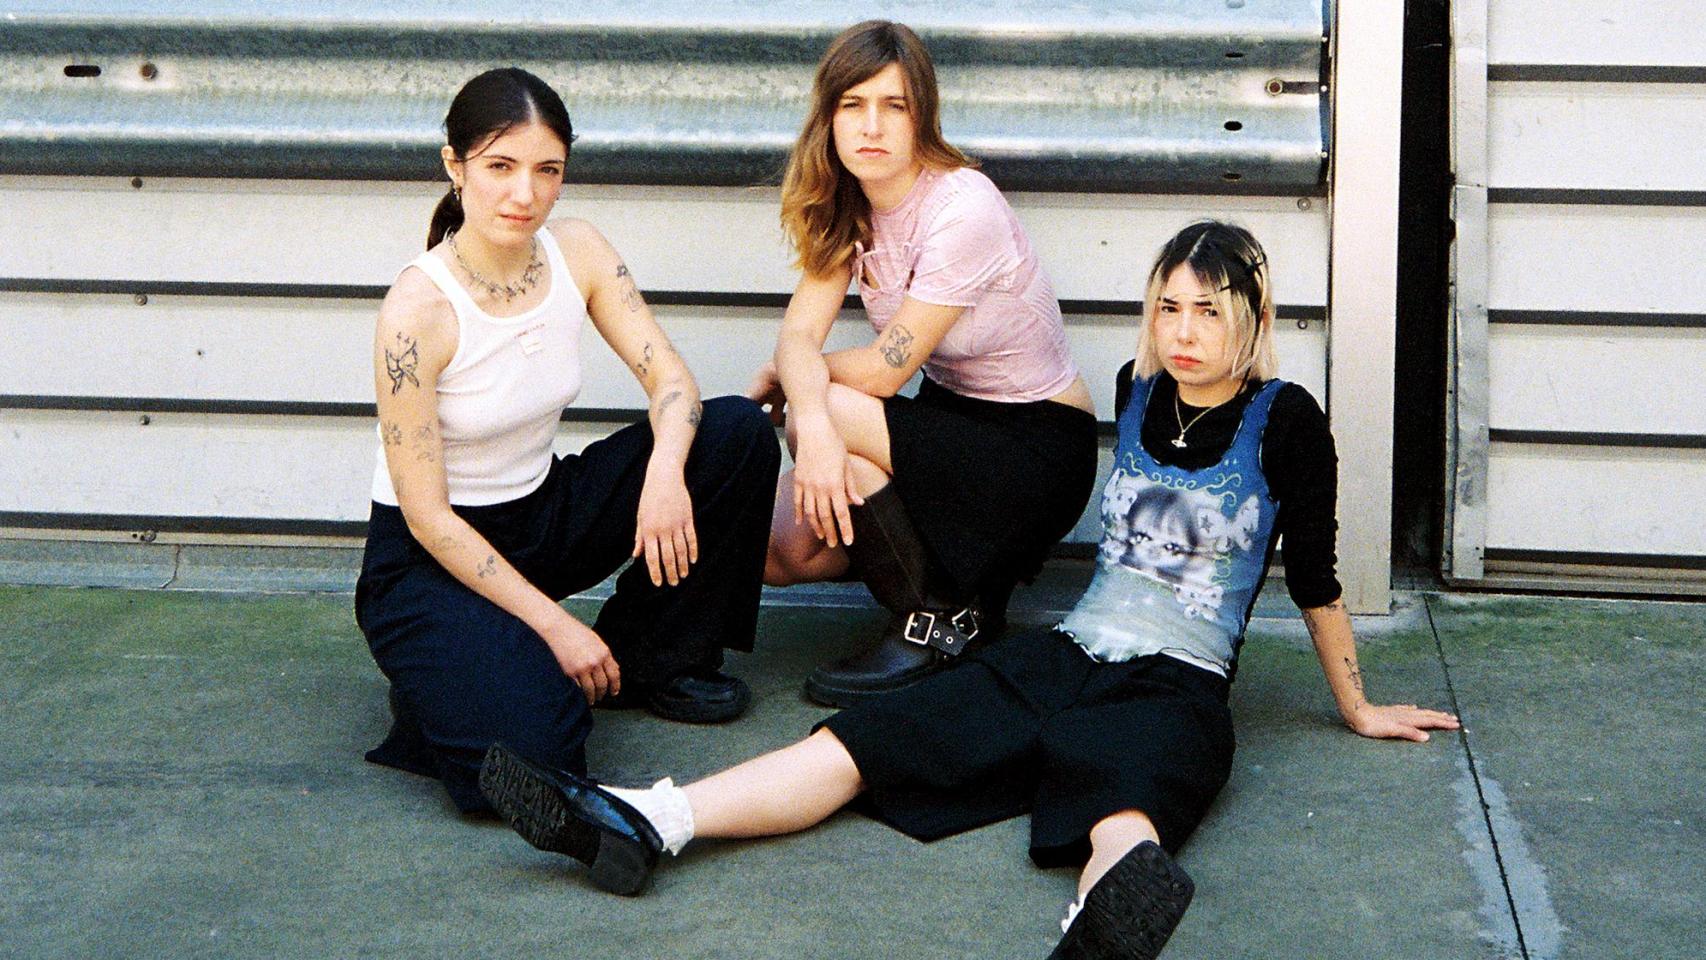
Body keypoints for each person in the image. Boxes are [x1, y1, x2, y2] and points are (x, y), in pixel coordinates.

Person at [475, 221, 1462, 959]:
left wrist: (1357, 703)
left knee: (1124, 805)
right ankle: (648, 821)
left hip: (1177, 682)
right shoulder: (1134, 385)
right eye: (1168, 305)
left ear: (1248, 314)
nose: (1184, 330)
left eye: (1208, 309)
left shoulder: (1284, 420)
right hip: (1062, 653)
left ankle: (1099, 927)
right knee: (857, 745)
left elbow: (1320, 576)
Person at [354, 68, 780, 815]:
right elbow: (427, 518)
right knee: (540, 758)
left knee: (736, 432)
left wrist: (665, 473)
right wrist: (558, 628)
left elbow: (671, 382)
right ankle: (440, 691)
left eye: (547, 170)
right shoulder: (417, 310)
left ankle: (653, 659)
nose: (525, 193)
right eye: (500, 167)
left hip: (540, 514)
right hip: (429, 562)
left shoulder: (577, 249)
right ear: (454, 167)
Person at [746, 20, 1099, 706]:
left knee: (840, 420)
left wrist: (808, 401)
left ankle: (930, 621)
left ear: (921, 116)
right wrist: (810, 413)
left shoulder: (962, 206)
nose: (871, 126)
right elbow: (796, 336)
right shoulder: (847, 204)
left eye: (894, 105)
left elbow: (881, 374)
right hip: (950, 424)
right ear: (829, 117)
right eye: (853, 105)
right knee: (786, 549)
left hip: (1036, 446)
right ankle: (969, 605)